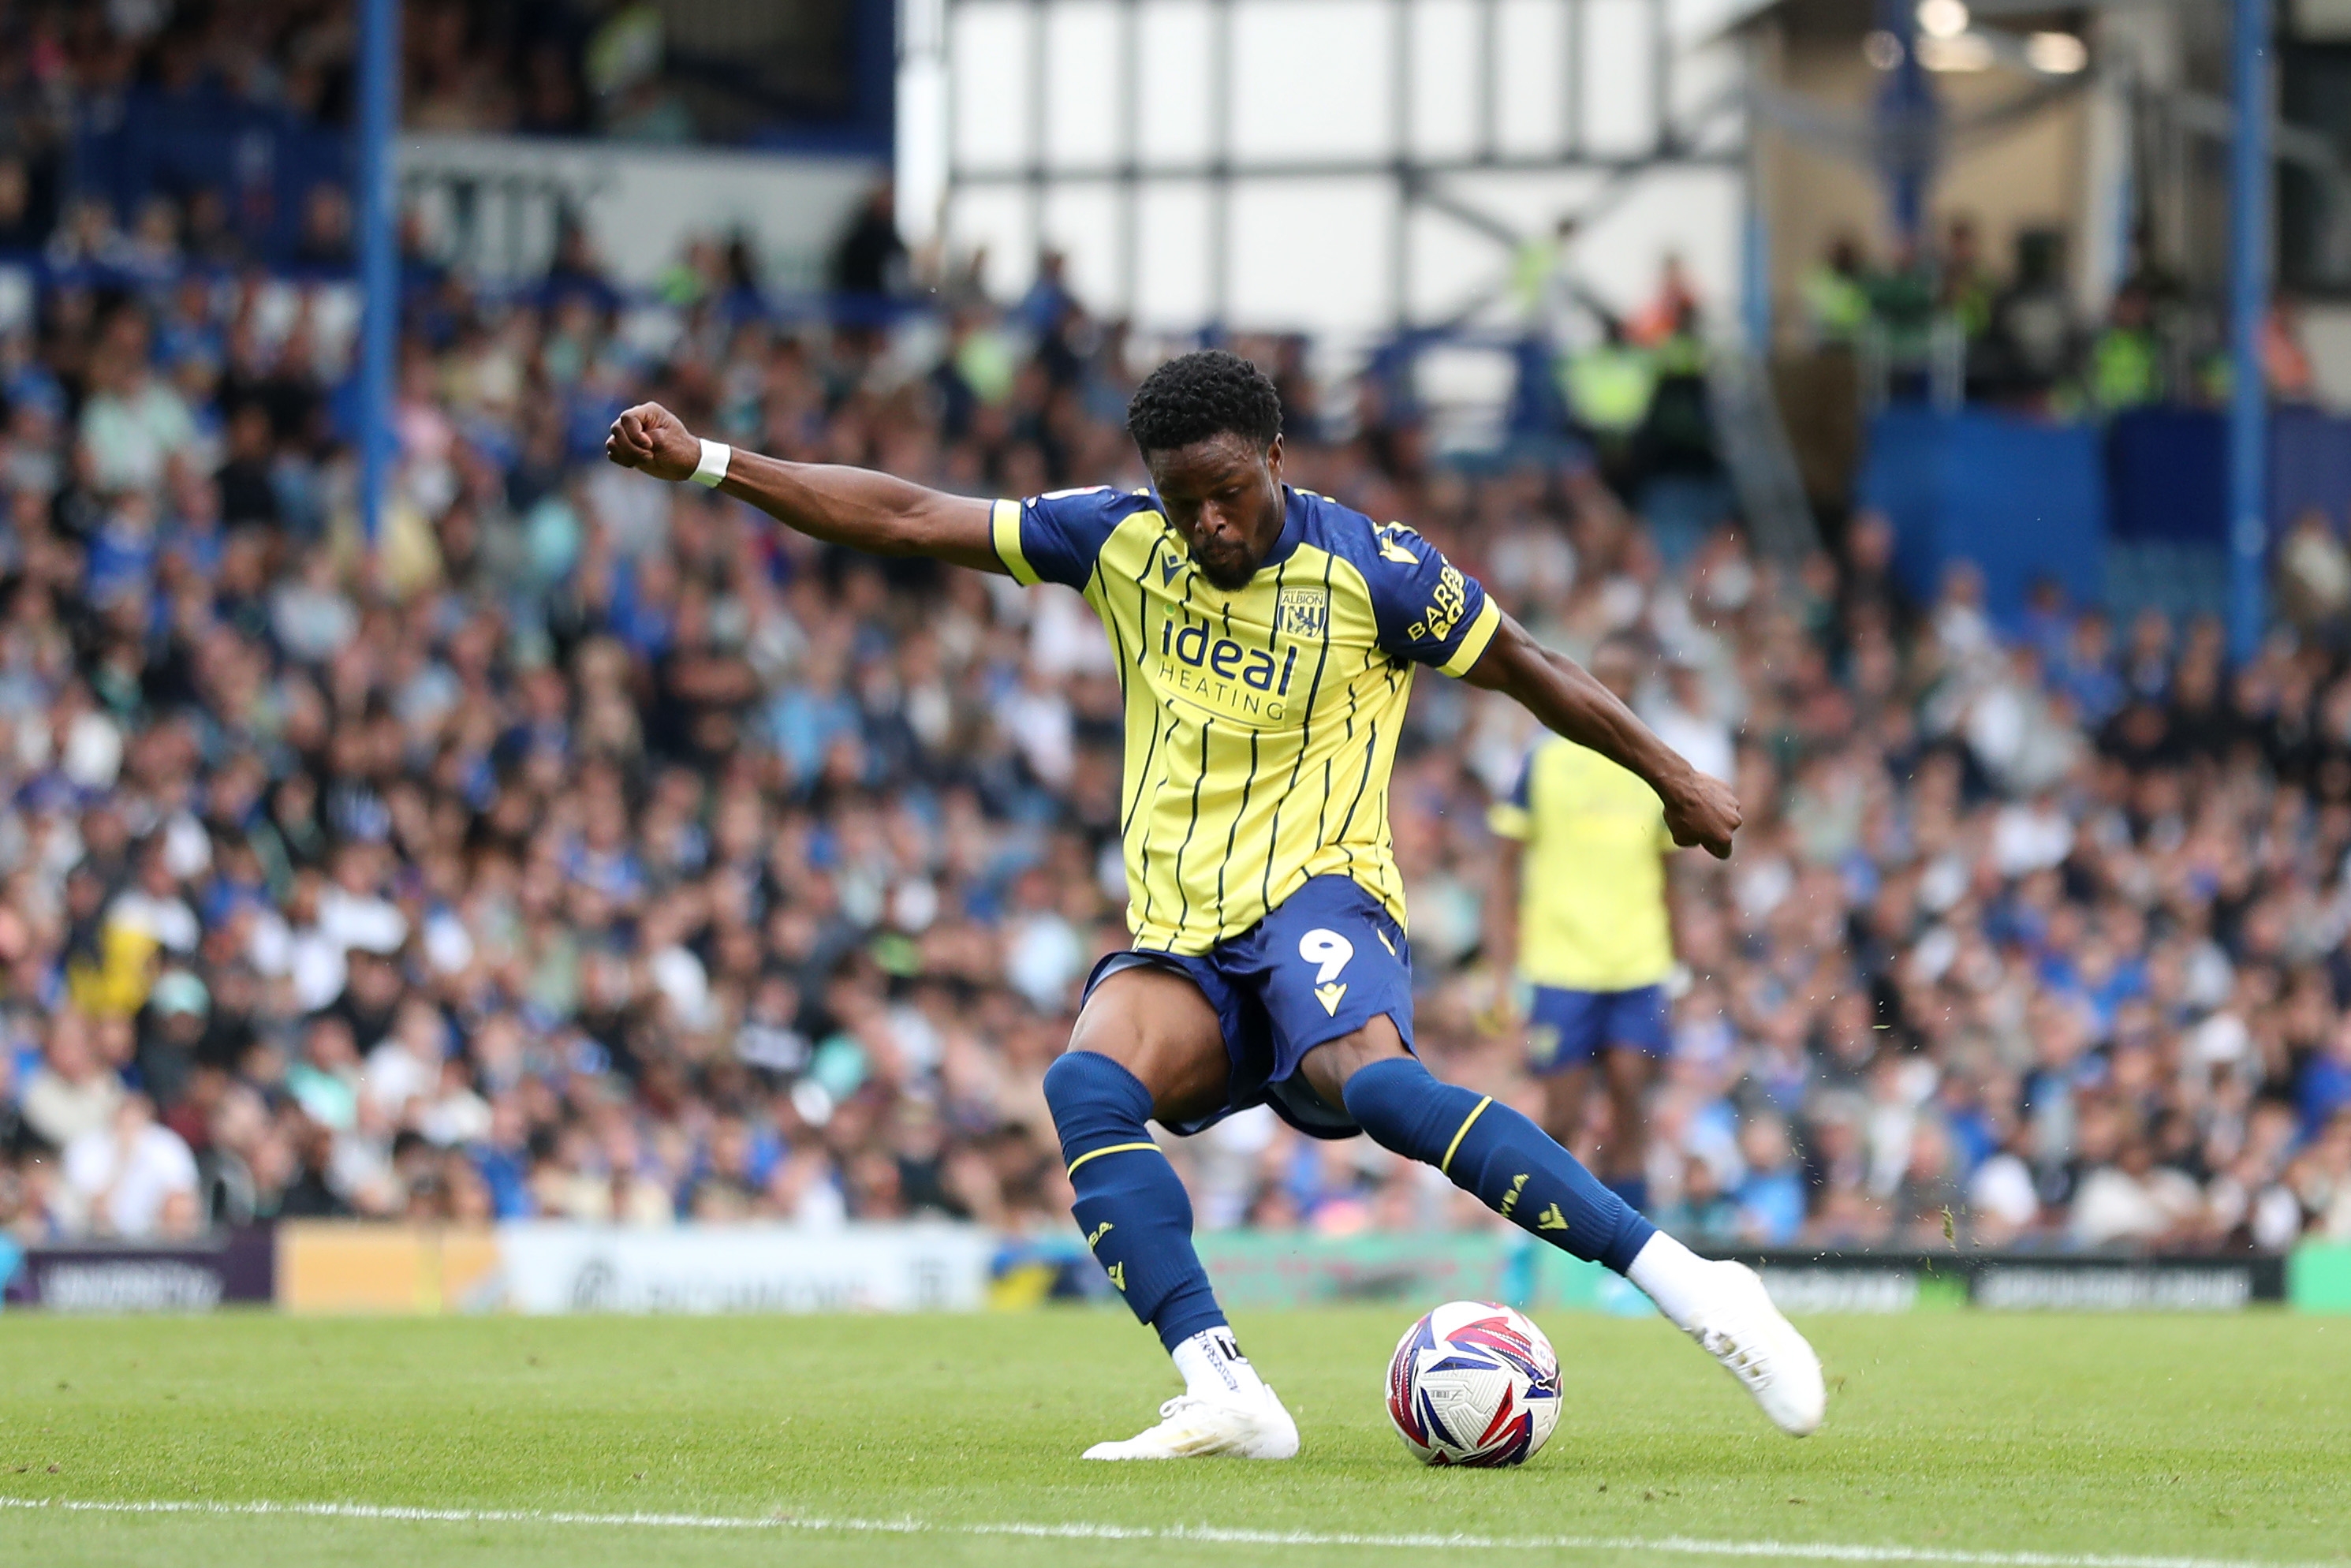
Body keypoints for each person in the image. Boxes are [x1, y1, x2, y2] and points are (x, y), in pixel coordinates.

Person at [603, 349, 1823, 1460]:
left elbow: (1531, 669)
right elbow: (914, 516)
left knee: (1380, 1086)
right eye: (1182, 498)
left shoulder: (1376, 571)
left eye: (1228, 491)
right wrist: (715, 463)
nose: (1206, 522)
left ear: (1276, 458)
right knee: (1085, 1082)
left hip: (1320, 908)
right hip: (1186, 941)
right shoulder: (1120, 540)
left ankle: (1693, 1284)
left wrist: (1676, 777)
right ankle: (1222, 1381)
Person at [1486, 636, 1679, 1215]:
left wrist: (1684, 963)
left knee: (1628, 1097)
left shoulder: (1656, 761)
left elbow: (1672, 875)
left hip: (1638, 961)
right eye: (1606, 678)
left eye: (1627, 680)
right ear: (1586, 683)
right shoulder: (1542, 758)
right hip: (1560, 963)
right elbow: (1503, 869)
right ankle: (1538, 1244)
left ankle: (1630, 1250)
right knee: (1562, 1115)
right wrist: (1501, 970)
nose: (1616, 690)